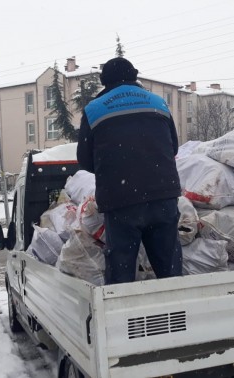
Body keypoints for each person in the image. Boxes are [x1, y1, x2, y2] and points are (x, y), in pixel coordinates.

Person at [77, 57, 182, 284]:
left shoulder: (94, 110)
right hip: (163, 196)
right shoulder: (158, 103)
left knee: (121, 271)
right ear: (135, 76)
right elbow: (173, 147)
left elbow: (84, 160)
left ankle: (122, 317)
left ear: (104, 81)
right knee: (170, 270)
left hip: (121, 201)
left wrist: (115, 170)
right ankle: (177, 314)